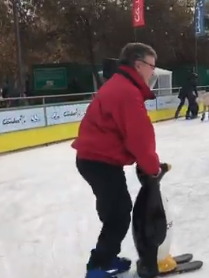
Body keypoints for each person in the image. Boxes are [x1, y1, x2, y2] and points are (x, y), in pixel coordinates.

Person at [71, 42, 161, 278]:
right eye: (152, 66)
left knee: (114, 210)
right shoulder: (127, 92)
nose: (153, 71)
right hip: (99, 161)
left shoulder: (120, 85)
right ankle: (98, 266)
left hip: (97, 159)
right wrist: (152, 168)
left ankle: (106, 257)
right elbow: (139, 136)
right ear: (138, 64)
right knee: (119, 213)